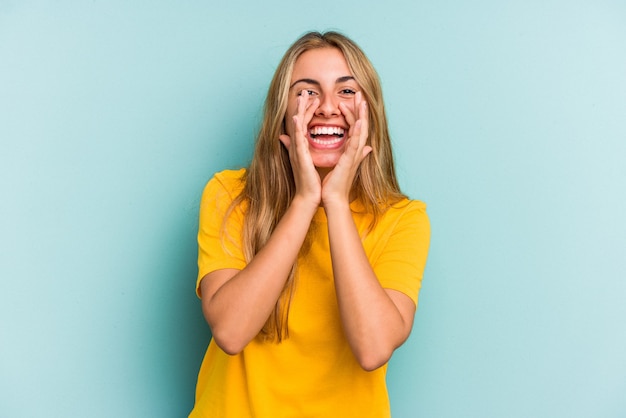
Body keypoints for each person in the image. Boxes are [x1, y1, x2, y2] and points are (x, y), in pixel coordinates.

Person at [189, 31, 430, 418]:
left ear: (371, 111)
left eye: (347, 91)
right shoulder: (229, 194)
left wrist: (334, 201)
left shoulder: (403, 219)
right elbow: (231, 332)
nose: (327, 107)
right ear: (282, 111)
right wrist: (304, 200)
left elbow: (373, 348)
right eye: (306, 91)